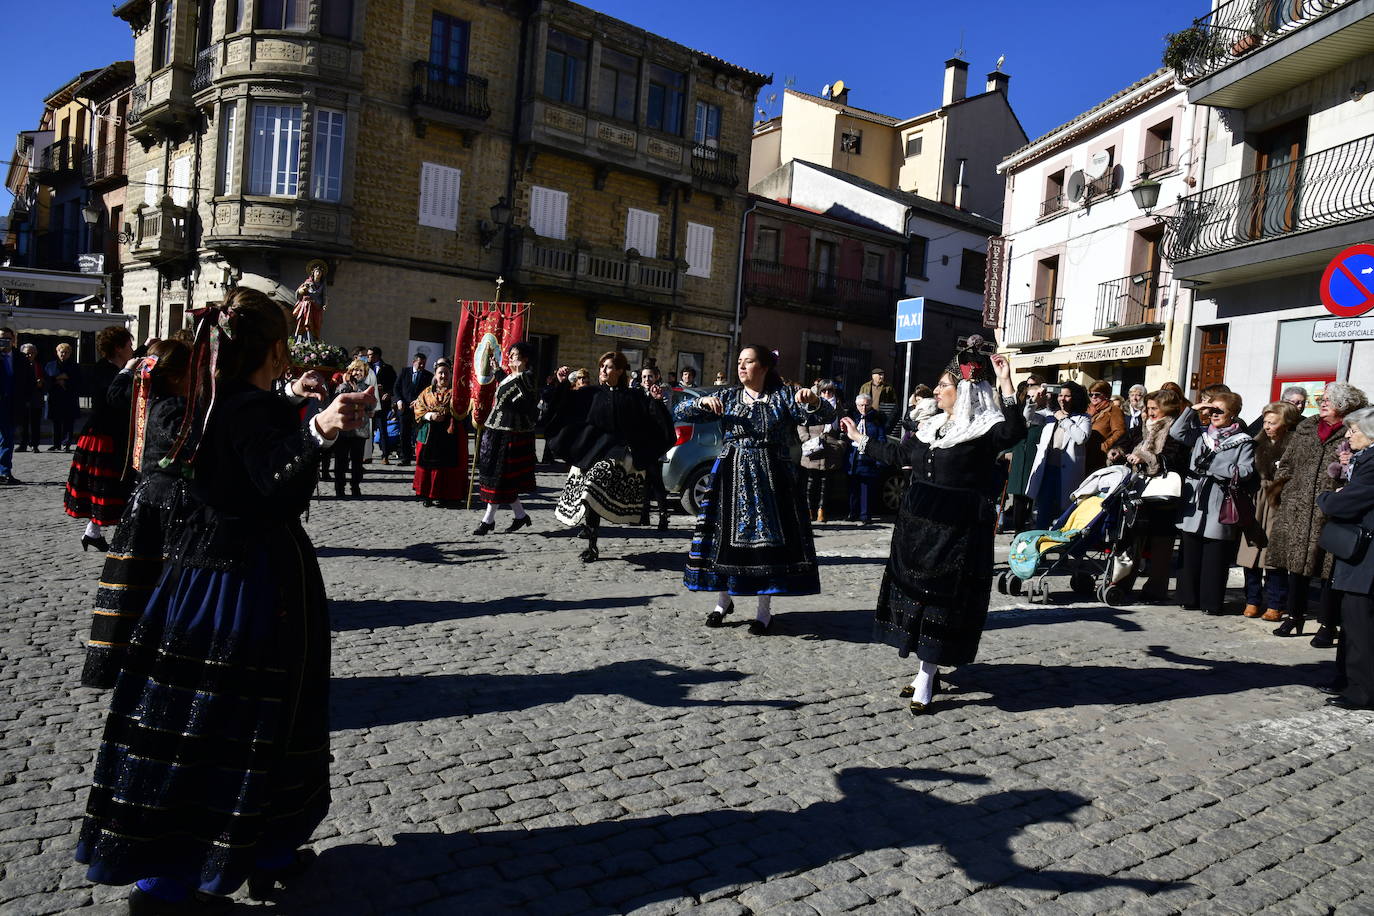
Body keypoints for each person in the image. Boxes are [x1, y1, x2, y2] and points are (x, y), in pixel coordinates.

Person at [76, 287, 374, 910]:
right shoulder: (246, 410)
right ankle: (220, 862)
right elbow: (271, 477)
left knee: (182, 719)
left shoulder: (196, 403)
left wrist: (292, 405)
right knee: (256, 722)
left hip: (191, 580)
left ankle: (198, 862)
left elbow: (230, 447)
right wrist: (316, 430)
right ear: (272, 348)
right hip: (254, 582)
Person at [839, 339, 1022, 714]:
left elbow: (1016, 430)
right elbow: (900, 455)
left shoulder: (985, 430)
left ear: (965, 391)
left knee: (941, 602)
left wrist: (1005, 381)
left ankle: (926, 674)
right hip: (915, 528)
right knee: (915, 598)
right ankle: (928, 667)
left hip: (956, 532)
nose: (936, 391)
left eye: (944, 386)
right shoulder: (932, 426)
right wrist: (861, 441)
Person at [679, 345, 832, 633]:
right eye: (739, 361)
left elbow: (825, 413)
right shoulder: (727, 396)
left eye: (748, 362)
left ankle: (764, 611)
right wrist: (701, 403)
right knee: (722, 540)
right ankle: (722, 602)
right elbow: (681, 409)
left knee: (769, 545)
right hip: (731, 473)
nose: (741, 367)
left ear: (763, 368)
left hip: (771, 476)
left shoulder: (781, 397)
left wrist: (812, 399)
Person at [81, 339, 193, 689]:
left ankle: (146, 664)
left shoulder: (151, 399)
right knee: (156, 590)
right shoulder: (172, 408)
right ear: (176, 377)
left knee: (146, 589)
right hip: (162, 507)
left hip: (151, 501)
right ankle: (153, 666)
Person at [545, 352, 673, 562]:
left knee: (591, 486)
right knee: (589, 495)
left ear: (620, 370)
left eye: (609, 367)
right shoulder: (590, 393)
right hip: (591, 451)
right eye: (602, 366)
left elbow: (652, 422)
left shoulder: (633, 396)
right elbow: (561, 406)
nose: (603, 370)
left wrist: (657, 402)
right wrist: (561, 385)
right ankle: (592, 543)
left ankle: (592, 541)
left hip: (616, 454)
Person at [1267, 383, 1369, 640]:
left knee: (1328, 568)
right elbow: (1287, 462)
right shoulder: (1307, 427)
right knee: (1295, 566)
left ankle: (1327, 623)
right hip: (1298, 506)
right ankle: (1294, 616)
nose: (1322, 404)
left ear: (1344, 406)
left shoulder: (1354, 432)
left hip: (1332, 509)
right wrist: (1284, 488)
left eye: (1329, 400)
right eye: (1322, 399)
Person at [1169, 391, 1256, 615]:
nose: (1214, 414)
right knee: (1190, 551)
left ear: (1233, 414)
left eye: (1220, 411)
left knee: (1214, 555)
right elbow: (1176, 432)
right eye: (1213, 410)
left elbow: (1245, 470)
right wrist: (1193, 410)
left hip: (1220, 499)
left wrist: (1215, 468)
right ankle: (1188, 597)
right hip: (1195, 500)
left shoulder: (1243, 441)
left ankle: (1211, 602)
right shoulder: (1201, 434)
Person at [1315, 406, 1374, 710]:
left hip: (1367, 556)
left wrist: (1327, 498)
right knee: (1351, 618)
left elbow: (1346, 503)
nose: (1349, 434)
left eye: (1355, 430)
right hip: (1359, 555)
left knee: (1359, 623)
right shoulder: (1364, 460)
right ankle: (1347, 679)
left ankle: (1362, 690)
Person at [65, 326, 137, 552]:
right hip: (103, 436)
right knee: (109, 488)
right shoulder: (103, 369)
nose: (132, 349)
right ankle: (116, 537)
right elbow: (114, 395)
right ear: (118, 348)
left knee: (109, 488)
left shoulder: (117, 367)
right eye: (129, 345)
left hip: (113, 434)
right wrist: (127, 372)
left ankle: (92, 533)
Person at [1120, 388, 1188, 599]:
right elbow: (1125, 442)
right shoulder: (1143, 426)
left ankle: (1156, 588)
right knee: (1133, 539)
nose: (1149, 412)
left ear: (1166, 408)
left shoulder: (1174, 429)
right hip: (1138, 489)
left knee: (1161, 542)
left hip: (1162, 494)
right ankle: (1123, 583)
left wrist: (1148, 458)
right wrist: (1118, 451)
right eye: (1148, 408)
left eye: (1154, 408)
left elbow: (1175, 458)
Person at [1236, 401, 1301, 620]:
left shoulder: (1295, 445)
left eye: (1273, 422)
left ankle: (1276, 603)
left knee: (1274, 556)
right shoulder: (1255, 443)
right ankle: (1252, 599)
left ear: (1287, 423)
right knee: (1250, 553)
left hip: (1278, 502)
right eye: (1265, 421)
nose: (1267, 426)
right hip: (1256, 501)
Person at [475, 342, 539, 534]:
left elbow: (527, 399)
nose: (511, 358)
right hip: (495, 431)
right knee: (498, 478)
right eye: (510, 355)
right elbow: (506, 381)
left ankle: (488, 521)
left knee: (500, 477)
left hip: (510, 433)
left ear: (525, 358)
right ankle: (520, 516)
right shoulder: (510, 376)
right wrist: (497, 370)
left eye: (515, 355)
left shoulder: (527, 377)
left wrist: (517, 372)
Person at [1024, 381, 1091, 528]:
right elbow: (1028, 416)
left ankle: (1062, 544)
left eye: (1067, 396)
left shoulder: (1083, 418)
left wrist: (1063, 419)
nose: (1062, 399)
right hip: (1047, 469)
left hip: (1067, 471)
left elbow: (1081, 438)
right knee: (1043, 509)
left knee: (1065, 510)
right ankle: (1039, 542)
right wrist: (1034, 400)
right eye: (1060, 395)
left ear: (1076, 398)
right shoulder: (1049, 414)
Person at [412, 359, 470, 507]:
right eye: (440, 373)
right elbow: (418, 408)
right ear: (435, 375)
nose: (443, 376)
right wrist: (429, 416)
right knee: (429, 465)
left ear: (451, 375)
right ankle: (427, 495)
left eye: (446, 373)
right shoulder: (427, 392)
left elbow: (465, 409)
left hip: (451, 433)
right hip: (431, 432)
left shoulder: (457, 392)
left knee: (448, 466)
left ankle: (447, 495)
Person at [999, 380, 1047, 533]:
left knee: (1033, 500)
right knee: (1019, 498)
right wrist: (1006, 452)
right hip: (1020, 457)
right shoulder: (1023, 411)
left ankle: (1032, 530)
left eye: (1035, 396)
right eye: (1029, 397)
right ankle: (1018, 533)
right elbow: (1023, 420)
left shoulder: (1047, 414)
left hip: (1036, 459)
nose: (1032, 399)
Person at [635, 363, 674, 530]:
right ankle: (643, 516)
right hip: (642, 444)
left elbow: (664, 418)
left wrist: (656, 400)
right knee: (643, 481)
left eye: (649, 376)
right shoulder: (638, 394)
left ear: (656, 377)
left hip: (656, 445)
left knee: (656, 482)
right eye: (644, 376)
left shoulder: (662, 393)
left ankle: (663, 516)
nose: (646, 379)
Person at [799, 380, 844, 522]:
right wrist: (806, 438)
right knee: (811, 482)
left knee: (826, 483)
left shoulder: (838, 408)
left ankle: (821, 510)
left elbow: (844, 426)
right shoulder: (811, 405)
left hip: (830, 448)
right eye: (824, 391)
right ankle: (808, 509)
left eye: (829, 391)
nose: (827, 394)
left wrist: (840, 443)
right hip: (812, 446)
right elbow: (801, 423)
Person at [330, 359, 371, 498]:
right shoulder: (342, 386)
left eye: (361, 370)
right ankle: (339, 488)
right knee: (341, 461)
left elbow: (370, 407)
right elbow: (337, 401)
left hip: (359, 429)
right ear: (350, 372)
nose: (357, 373)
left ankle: (355, 486)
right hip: (343, 429)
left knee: (357, 461)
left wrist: (357, 390)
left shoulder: (367, 387)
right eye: (355, 370)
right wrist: (347, 385)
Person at [845, 393, 886, 524]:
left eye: (866, 405)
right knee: (853, 488)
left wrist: (879, 460)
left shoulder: (876, 421)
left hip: (868, 458)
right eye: (861, 405)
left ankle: (865, 515)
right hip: (853, 458)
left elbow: (881, 440)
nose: (863, 408)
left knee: (866, 489)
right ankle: (853, 512)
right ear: (856, 406)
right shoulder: (852, 418)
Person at [393, 353, 432, 467]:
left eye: (424, 364)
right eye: (420, 363)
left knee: (418, 434)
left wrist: (419, 402)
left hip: (419, 410)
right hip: (404, 408)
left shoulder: (428, 376)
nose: (421, 366)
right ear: (414, 362)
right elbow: (396, 388)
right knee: (404, 434)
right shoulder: (405, 372)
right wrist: (399, 400)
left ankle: (420, 457)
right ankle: (406, 458)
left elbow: (429, 393)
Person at [0, 328, 28, 484]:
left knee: (7, 438)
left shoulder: (20, 358)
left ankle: (4, 472)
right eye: (1, 339)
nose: (4, 342)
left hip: (12, 405)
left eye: (7, 338)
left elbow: (28, 380)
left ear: (13, 339)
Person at [45, 342, 82, 451]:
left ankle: (67, 443)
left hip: (69, 397)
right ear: (57, 352)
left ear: (70, 354)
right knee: (56, 422)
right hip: (55, 397)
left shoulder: (74, 366)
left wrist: (66, 382)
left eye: (66, 352)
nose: (63, 354)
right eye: (61, 352)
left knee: (68, 422)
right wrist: (57, 379)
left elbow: (79, 381)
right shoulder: (50, 365)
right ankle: (56, 444)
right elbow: (46, 381)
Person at [1086, 380, 1127, 473]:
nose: (1093, 397)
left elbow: (1120, 432)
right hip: (1084, 453)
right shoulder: (1088, 409)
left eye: (1097, 394)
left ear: (1106, 394)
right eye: (1091, 395)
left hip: (1099, 456)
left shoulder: (1114, 410)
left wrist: (1105, 446)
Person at [366, 347, 397, 463]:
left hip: (382, 404)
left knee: (383, 429)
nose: (368, 357)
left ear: (377, 355)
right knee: (368, 429)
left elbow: (394, 384)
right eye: (367, 355)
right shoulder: (366, 368)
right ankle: (368, 454)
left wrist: (389, 393)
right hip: (369, 403)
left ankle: (385, 455)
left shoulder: (387, 368)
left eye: (371, 355)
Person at [15, 341, 44, 454]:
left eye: (31, 353)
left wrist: (42, 383)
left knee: (35, 423)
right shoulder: (18, 366)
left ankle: (34, 444)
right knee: (23, 424)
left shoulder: (39, 365)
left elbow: (45, 380)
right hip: (23, 398)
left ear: (35, 354)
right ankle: (23, 444)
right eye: (26, 354)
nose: (29, 356)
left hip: (36, 398)